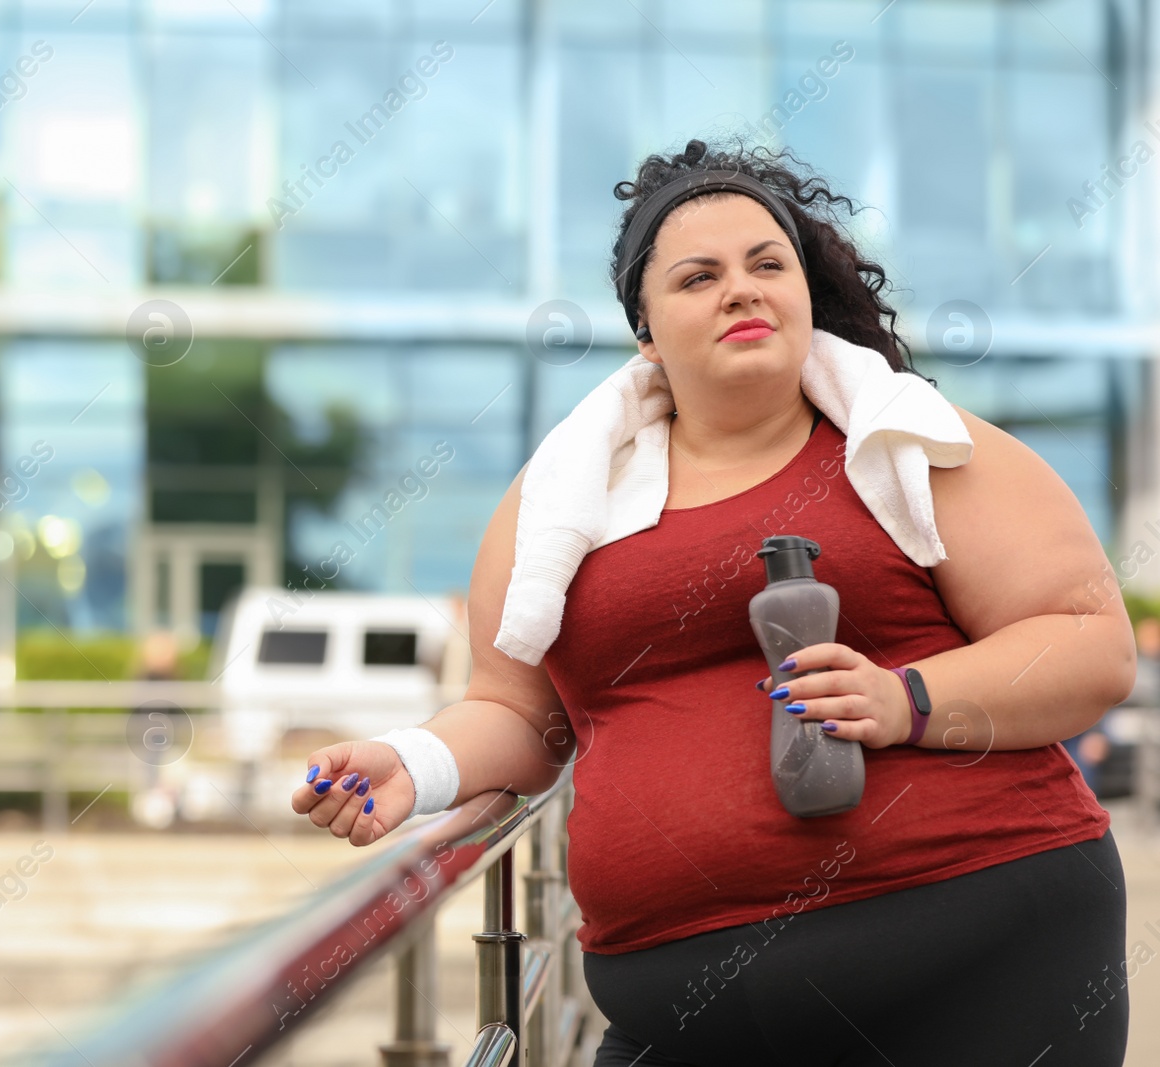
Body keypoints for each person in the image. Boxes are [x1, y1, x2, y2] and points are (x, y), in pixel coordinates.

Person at [291, 138, 1135, 1065]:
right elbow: (518, 713)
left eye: (768, 264)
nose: (742, 288)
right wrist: (418, 765)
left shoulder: (916, 445)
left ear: (805, 296)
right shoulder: (563, 502)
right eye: (699, 276)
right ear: (645, 331)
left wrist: (907, 699)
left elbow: (1091, 640)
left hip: (982, 950)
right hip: (680, 1005)